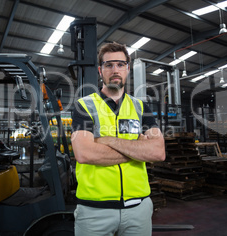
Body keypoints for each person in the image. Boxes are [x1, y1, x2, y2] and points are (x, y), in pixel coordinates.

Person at [71, 42, 166, 236]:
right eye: (109, 65)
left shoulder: (140, 108)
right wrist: (138, 149)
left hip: (138, 209)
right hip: (94, 211)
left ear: (128, 69)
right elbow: (84, 153)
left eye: (120, 64)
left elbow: (157, 152)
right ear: (100, 70)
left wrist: (108, 140)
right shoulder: (85, 106)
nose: (115, 70)